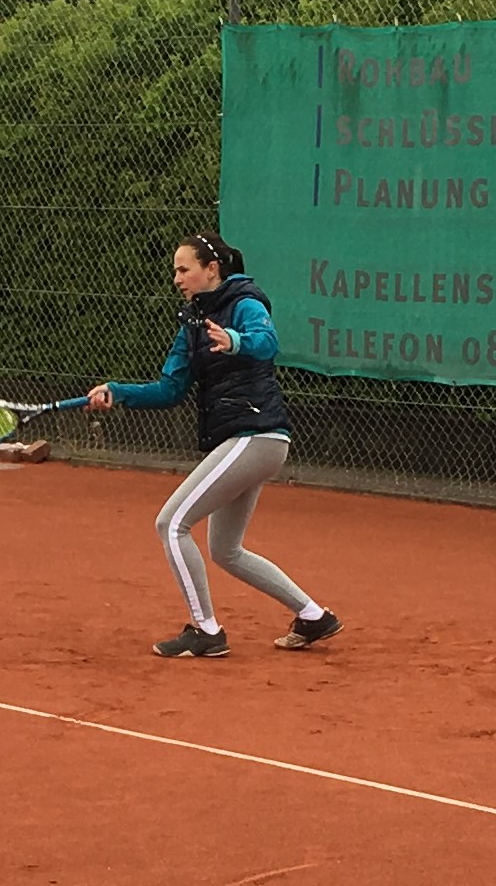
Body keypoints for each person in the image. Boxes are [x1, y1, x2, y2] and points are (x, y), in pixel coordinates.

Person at [87, 233, 341, 658]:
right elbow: (170, 389)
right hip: (240, 442)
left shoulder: (245, 301)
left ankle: (206, 630)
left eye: (184, 269)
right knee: (225, 549)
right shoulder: (192, 323)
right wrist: (119, 391)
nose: (176, 278)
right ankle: (313, 616)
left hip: (256, 435)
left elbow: (267, 342)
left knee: (171, 523)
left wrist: (235, 341)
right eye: (175, 270)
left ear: (211, 269)